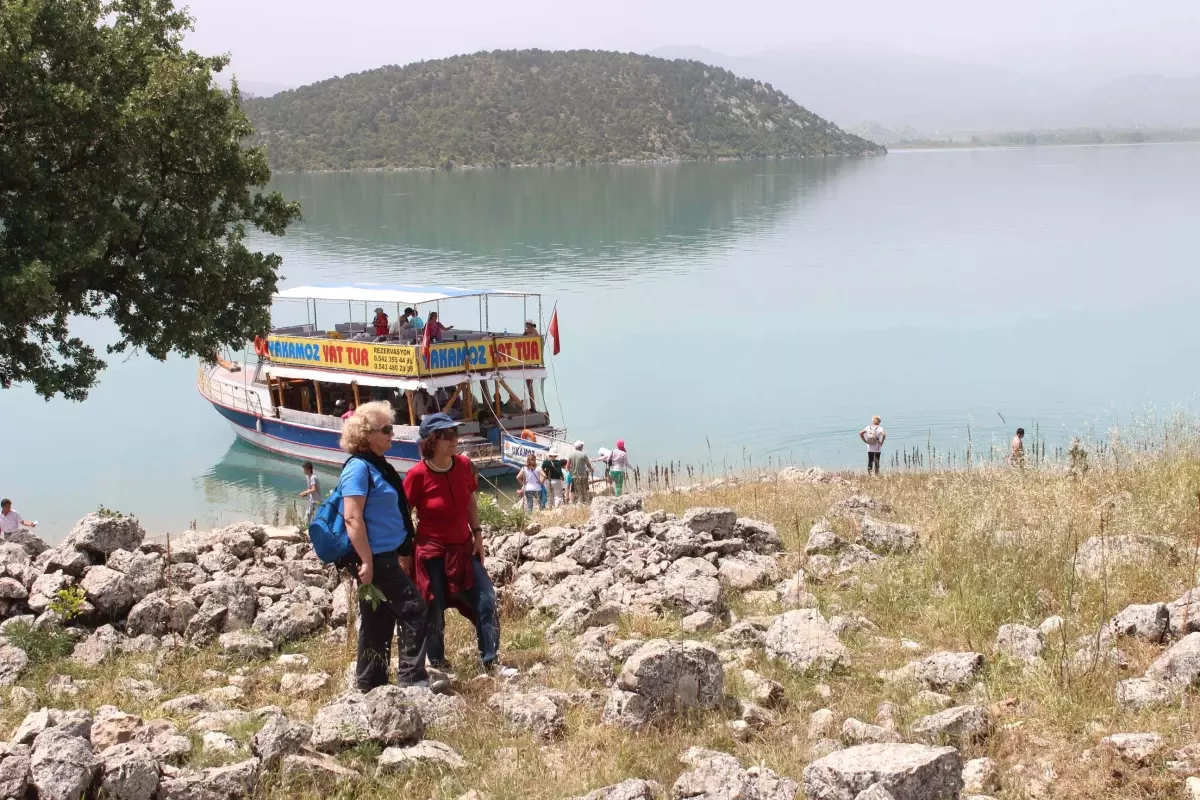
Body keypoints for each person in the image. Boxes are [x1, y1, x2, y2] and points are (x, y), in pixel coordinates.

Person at [403, 413, 503, 673]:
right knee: (433, 610)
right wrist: (403, 554)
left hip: (464, 548)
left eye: (455, 433)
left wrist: (478, 534)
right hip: (431, 553)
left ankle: (491, 661)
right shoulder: (416, 476)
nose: (454, 439)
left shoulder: (463, 466)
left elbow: (469, 500)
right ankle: (438, 665)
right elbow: (403, 514)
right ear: (431, 442)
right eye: (446, 435)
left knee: (487, 600)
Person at [339, 402, 428, 690]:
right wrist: (365, 560)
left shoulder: (378, 465)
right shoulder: (357, 469)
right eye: (387, 429)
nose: (393, 434)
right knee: (414, 609)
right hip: (374, 557)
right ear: (367, 435)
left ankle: (369, 685)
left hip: (384, 554)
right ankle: (412, 681)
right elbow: (352, 518)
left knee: (377, 620)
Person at [567, 440, 593, 505]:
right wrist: (591, 469)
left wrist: (571, 473)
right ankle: (583, 503)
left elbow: (567, 466)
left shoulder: (571, 455)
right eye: (582, 445)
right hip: (583, 476)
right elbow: (588, 464)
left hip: (575, 476)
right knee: (584, 490)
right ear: (581, 446)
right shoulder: (583, 454)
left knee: (578, 491)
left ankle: (580, 503)